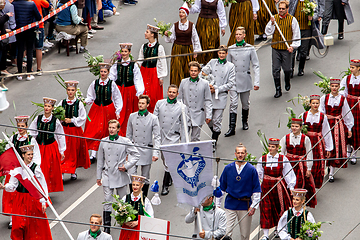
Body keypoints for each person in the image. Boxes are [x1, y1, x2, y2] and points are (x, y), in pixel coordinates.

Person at [0, 145, 52, 240]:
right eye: (28, 154)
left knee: (34, 227)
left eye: (32, 154)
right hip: (19, 200)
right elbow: (12, 185)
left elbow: (43, 185)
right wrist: (4, 186)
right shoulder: (17, 169)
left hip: (33, 199)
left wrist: (44, 201)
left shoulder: (35, 168)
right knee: (18, 226)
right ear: (23, 155)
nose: (30, 156)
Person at [97, 119, 140, 234]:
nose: (111, 130)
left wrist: (126, 165)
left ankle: (125, 223)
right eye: (110, 127)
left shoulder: (125, 141)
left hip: (120, 175)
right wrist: (98, 176)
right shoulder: (103, 141)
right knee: (107, 201)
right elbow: (100, 160)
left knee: (123, 201)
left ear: (118, 129)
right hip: (107, 175)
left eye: (113, 128)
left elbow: (136, 155)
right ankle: (107, 226)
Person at [3, 115, 41, 229]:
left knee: (25, 195)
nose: (20, 129)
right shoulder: (13, 138)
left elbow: (36, 156)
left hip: (27, 171)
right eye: (19, 126)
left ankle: (30, 216)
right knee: (12, 194)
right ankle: (13, 218)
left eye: (22, 126)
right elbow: (7, 151)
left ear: (26, 126)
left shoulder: (31, 140)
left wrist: (32, 168)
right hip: (15, 170)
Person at [218, 143, 261, 240]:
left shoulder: (251, 170)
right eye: (238, 153)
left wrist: (253, 206)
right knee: (227, 233)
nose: (240, 155)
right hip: (230, 204)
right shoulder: (228, 168)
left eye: (242, 153)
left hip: (244, 205)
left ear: (246, 154)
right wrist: (217, 205)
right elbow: (222, 188)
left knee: (245, 235)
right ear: (235, 154)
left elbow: (257, 190)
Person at [256, 138, 296, 240]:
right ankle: (265, 235)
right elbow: (259, 173)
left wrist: (291, 186)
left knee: (279, 208)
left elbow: (288, 173)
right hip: (266, 187)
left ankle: (278, 230)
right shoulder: (263, 159)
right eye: (269, 146)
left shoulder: (283, 159)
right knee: (266, 210)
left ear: (277, 148)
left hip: (278, 187)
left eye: (273, 147)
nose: (270, 148)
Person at [153, 84, 190, 195]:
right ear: (167, 92)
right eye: (170, 92)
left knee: (169, 161)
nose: (171, 94)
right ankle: (169, 176)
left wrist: (183, 142)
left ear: (177, 94)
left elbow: (184, 125)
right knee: (164, 160)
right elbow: (154, 120)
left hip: (173, 137)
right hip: (161, 135)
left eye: (174, 92)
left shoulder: (182, 107)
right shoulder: (159, 103)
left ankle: (164, 186)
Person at [84, 63, 123, 163]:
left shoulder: (112, 84)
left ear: (108, 72)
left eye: (105, 72)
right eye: (101, 71)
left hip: (108, 109)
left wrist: (117, 110)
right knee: (94, 129)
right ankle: (93, 154)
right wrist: (86, 100)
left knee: (106, 130)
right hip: (96, 108)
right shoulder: (95, 83)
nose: (103, 73)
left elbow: (117, 97)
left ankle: (108, 152)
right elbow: (91, 95)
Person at [225, 26, 260, 136]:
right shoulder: (231, 48)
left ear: (244, 35)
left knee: (245, 103)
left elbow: (256, 65)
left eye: (240, 34)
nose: (238, 36)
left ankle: (245, 121)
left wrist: (257, 82)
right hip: (234, 80)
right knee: (233, 103)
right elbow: (227, 67)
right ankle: (232, 128)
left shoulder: (250, 48)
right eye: (236, 34)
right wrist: (226, 84)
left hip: (245, 79)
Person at [319, 78, 354, 182]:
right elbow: (321, 112)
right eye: (332, 86)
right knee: (325, 146)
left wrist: (349, 127)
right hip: (326, 124)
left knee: (334, 148)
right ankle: (324, 168)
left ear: (339, 87)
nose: (334, 88)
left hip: (338, 126)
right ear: (329, 87)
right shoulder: (324, 98)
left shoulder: (342, 99)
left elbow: (346, 113)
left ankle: (331, 173)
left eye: (336, 86)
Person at [29, 97, 66, 193]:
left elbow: (60, 136)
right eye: (45, 106)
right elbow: (32, 132)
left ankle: (48, 189)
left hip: (50, 147)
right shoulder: (38, 119)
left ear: (52, 108)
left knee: (49, 169)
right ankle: (41, 189)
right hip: (39, 147)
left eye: (49, 106)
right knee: (40, 168)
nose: (46, 108)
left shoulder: (55, 121)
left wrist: (62, 151)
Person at [265, 0, 300, 98]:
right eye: (279, 8)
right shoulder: (274, 19)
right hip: (276, 49)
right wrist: (271, 24)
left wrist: (293, 46)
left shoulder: (292, 20)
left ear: (287, 9)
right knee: (275, 69)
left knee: (287, 69)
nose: (280, 10)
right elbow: (268, 32)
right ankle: (278, 89)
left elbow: (297, 35)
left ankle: (287, 81)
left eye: (283, 9)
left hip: (286, 49)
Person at [127, 95, 161, 197]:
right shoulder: (132, 116)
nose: (140, 105)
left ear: (147, 104)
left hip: (146, 149)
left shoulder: (153, 118)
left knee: (145, 176)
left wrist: (156, 152)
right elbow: (128, 135)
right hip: (134, 149)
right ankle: (132, 198)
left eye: (143, 103)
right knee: (131, 175)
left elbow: (157, 136)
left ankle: (143, 198)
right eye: (139, 103)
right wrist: (127, 151)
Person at [280, 118, 317, 208]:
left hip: (300, 166)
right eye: (292, 126)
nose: (294, 128)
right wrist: (282, 165)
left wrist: (308, 168)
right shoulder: (286, 138)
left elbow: (309, 153)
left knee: (299, 184)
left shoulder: (305, 139)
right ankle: (289, 203)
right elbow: (281, 152)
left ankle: (299, 204)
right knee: (287, 183)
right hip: (289, 164)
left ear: (301, 127)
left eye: (296, 126)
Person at [201, 45, 235, 144]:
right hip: (209, 95)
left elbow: (230, 83)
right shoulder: (212, 62)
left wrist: (216, 89)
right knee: (207, 118)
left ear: (226, 54)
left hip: (220, 96)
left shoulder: (230, 66)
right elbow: (203, 73)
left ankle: (214, 141)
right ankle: (216, 131)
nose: (221, 55)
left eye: (223, 53)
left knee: (217, 119)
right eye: (219, 53)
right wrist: (206, 80)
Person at [109, 43, 144, 136]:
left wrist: (139, 91)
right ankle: (117, 130)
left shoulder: (134, 65)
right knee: (119, 110)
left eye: (126, 51)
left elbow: (137, 78)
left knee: (129, 111)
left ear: (129, 52)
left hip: (130, 91)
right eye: (122, 51)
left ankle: (128, 132)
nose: (124, 53)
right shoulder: (117, 63)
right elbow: (112, 76)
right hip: (119, 90)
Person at [58, 81, 90, 181]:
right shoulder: (62, 103)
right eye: (69, 90)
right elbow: (56, 113)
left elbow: (82, 117)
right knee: (64, 150)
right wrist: (61, 119)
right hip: (64, 130)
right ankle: (62, 171)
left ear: (75, 91)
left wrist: (71, 120)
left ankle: (73, 171)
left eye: (72, 90)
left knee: (73, 150)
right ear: (66, 91)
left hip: (74, 130)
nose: (70, 92)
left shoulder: (78, 104)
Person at [164, 3, 202, 87]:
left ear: (187, 14)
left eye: (183, 12)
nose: (181, 14)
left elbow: (195, 38)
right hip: (177, 49)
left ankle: (188, 87)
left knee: (187, 68)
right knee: (177, 69)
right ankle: (176, 88)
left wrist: (196, 50)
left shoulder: (191, 25)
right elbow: (172, 38)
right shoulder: (175, 25)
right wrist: (167, 35)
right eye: (180, 12)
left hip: (188, 49)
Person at [302, 95, 333, 188]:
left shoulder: (322, 117)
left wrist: (328, 148)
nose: (315, 105)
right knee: (305, 162)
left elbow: (326, 132)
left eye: (317, 103)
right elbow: (297, 128)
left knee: (316, 163)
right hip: (306, 141)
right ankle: (305, 185)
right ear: (310, 104)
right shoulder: (304, 115)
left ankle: (313, 186)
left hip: (317, 142)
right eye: (313, 103)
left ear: (319, 104)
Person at [178, 61, 212, 142]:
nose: (193, 73)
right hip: (186, 114)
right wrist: (179, 113)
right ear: (189, 71)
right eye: (192, 70)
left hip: (198, 114)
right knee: (183, 137)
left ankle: (194, 154)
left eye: (195, 71)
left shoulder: (205, 83)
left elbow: (208, 100)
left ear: (199, 72)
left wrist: (208, 115)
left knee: (195, 138)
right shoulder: (183, 82)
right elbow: (179, 99)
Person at [138, 24, 168, 113]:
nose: (145, 33)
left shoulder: (159, 47)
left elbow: (162, 62)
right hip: (144, 71)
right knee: (143, 91)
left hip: (153, 72)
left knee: (153, 94)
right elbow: (140, 59)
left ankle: (154, 112)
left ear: (152, 34)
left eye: (147, 32)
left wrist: (161, 76)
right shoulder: (144, 46)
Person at [187, 0, 227, 64]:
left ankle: (211, 62)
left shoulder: (218, 0)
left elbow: (221, 12)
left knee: (212, 42)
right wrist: (190, 7)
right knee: (201, 41)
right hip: (202, 22)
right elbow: (196, 8)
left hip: (213, 23)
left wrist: (223, 26)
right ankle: (200, 62)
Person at [12, 0, 41, 81]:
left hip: (19, 30)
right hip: (30, 29)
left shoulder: (14, 4)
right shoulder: (31, 4)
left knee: (20, 50)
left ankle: (20, 74)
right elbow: (39, 17)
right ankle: (28, 74)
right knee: (30, 51)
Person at [119, 175, 154, 240]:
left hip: (139, 229)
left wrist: (138, 222)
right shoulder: (125, 198)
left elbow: (150, 216)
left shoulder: (145, 200)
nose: (135, 187)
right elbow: (118, 212)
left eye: (137, 185)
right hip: (127, 228)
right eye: (133, 185)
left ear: (142, 186)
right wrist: (124, 221)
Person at [288, 0, 318, 77]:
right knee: (292, 50)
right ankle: (291, 69)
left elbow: (316, 13)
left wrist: (312, 17)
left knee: (303, 51)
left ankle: (301, 69)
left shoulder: (311, 2)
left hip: (306, 29)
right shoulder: (294, 1)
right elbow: (290, 11)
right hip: (294, 30)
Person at [340, 59, 360, 165]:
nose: (351, 69)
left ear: (358, 68)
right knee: (348, 127)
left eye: (353, 67)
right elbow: (342, 90)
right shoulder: (347, 79)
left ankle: (354, 153)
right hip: (349, 105)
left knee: (357, 128)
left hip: (359, 107)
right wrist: (346, 97)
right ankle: (348, 149)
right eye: (350, 67)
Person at [32, 0, 50, 75]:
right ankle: (39, 69)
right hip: (39, 26)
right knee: (39, 48)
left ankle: (30, 69)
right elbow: (47, 5)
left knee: (28, 48)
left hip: (27, 26)